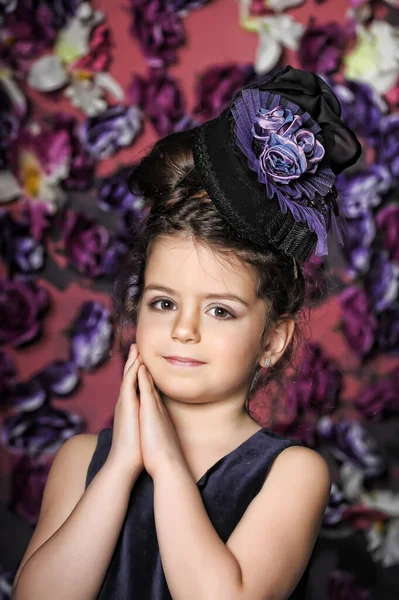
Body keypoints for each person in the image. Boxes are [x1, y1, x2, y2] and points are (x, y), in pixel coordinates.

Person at [12, 66, 361, 600]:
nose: (183, 330)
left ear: (273, 339)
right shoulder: (83, 460)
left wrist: (167, 461)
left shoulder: (291, 474)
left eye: (220, 311)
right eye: (163, 302)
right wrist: (121, 467)